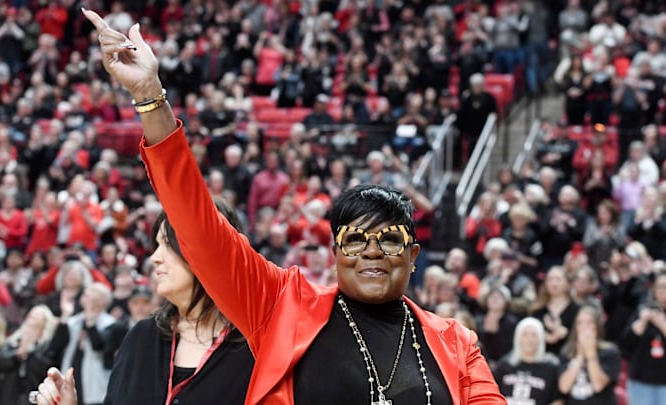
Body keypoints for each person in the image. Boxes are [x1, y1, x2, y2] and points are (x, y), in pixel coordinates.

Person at [73, 10, 505, 405]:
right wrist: (151, 97)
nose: (372, 250)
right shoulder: (283, 306)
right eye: (355, 239)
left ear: (413, 256)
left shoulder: (456, 344)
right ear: (335, 254)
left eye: (390, 240)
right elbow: (199, 228)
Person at [34, 202, 255, 405]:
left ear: (207, 250)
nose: (154, 257)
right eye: (156, 245)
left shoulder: (255, 349)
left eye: (167, 245)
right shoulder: (141, 337)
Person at [557, 304, 621, 405]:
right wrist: (580, 356)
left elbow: (598, 386)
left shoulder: (610, 352)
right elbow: (564, 388)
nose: (584, 327)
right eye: (580, 323)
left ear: (597, 326)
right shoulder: (567, 352)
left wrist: (590, 353)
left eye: (589, 322)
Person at [620, 271, 666, 404]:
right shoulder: (642, 310)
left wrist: (660, 323)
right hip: (640, 381)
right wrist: (641, 323)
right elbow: (625, 345)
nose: (662, 290)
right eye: (659, 286)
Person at [493, 317, 562, 405]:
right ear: (518, 338)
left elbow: (558, 400)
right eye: (525, 335)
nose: (529, 340)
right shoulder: (505, 364)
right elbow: (491, 393)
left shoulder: (551, 367)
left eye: (534, 335)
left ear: (541, 339)